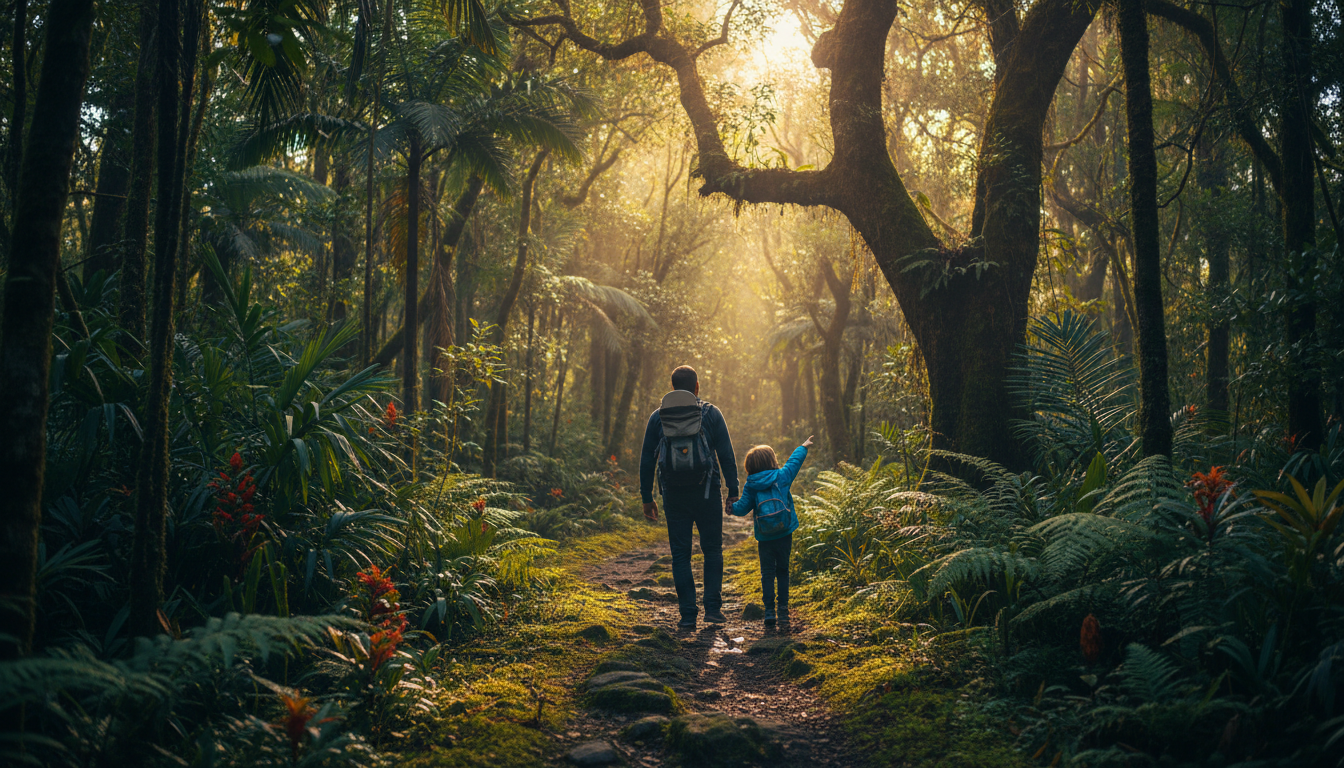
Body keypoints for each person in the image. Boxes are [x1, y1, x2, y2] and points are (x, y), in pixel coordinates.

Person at [640, 365, 739, 629]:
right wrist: (733, 490)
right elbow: (726, 455)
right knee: (712, 550)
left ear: (672, 388)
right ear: (697, 387)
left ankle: (687, 615)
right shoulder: (711, 413)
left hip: (673, 495)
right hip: (707, 491)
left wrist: (646, 496)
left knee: (680, 554)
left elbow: (646, 461)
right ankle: (713, 610)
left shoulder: (657, 417)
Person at [728, 436, 813, 626]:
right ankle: (783, 611)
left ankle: (769, 612)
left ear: (750, 466)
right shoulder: (781, 476)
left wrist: (731, 508)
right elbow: (794, 462)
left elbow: (742, 508)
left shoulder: (751, 485)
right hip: (784, 532)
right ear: (772, 461)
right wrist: (803, 447)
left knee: (767, 573)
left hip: (764, 537)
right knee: (783, 571)